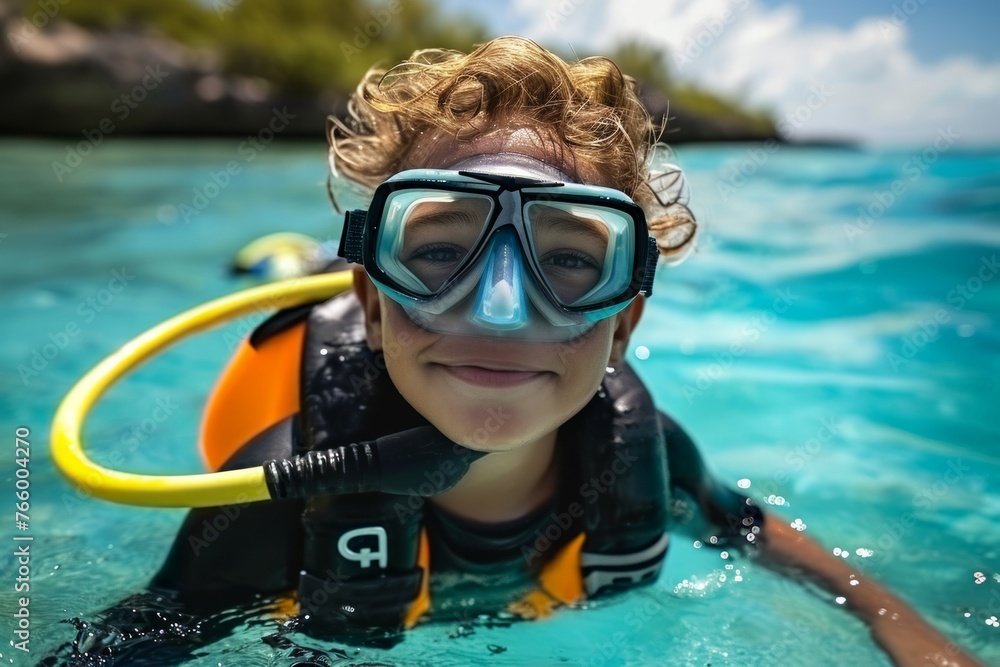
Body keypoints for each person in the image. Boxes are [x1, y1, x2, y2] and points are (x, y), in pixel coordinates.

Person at [55, 36, 983, 666]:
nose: (501, 311)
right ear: (373, 302)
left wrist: (896, 621)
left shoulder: (639, 453)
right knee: (274, 268)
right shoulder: (286, 493)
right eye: (439, 250)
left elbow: (749, 527)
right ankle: (286, 262)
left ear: (624, 323)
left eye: (571, 260)